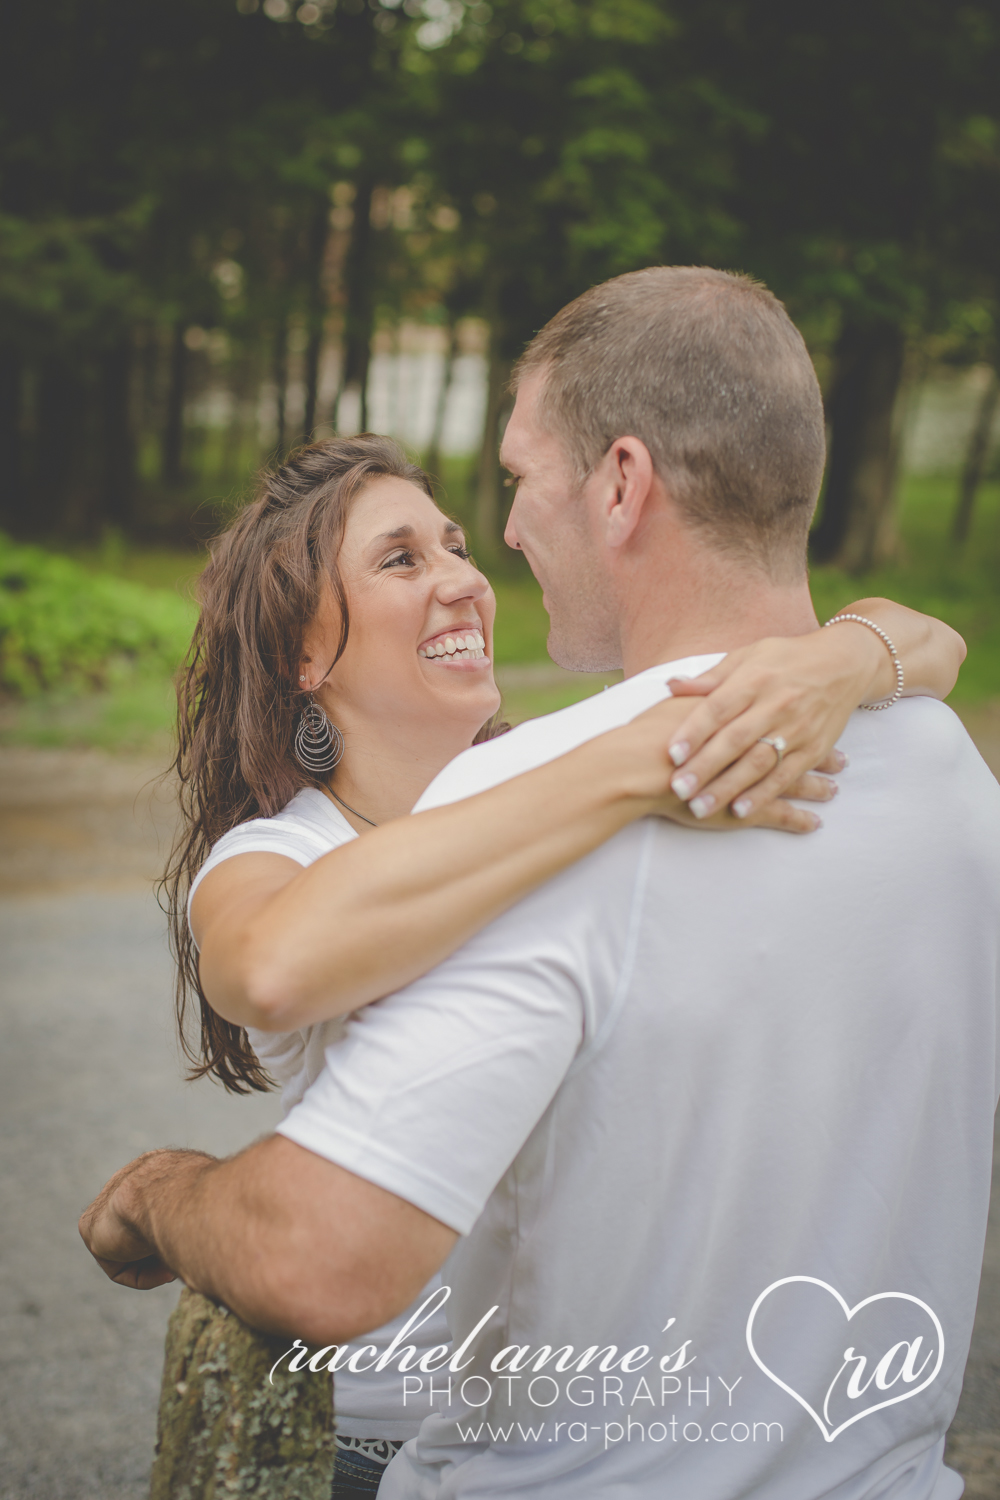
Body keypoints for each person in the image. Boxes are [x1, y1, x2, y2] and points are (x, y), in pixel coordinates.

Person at [80, 267, 997, 1499]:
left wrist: (854, 653)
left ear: (620, 484)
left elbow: (322, 1256)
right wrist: (661, 742)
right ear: (305, 650)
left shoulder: (559, 786)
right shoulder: (945, 771)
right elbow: (272, 960)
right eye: (402, 557)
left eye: (491, 502)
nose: (486, 554)